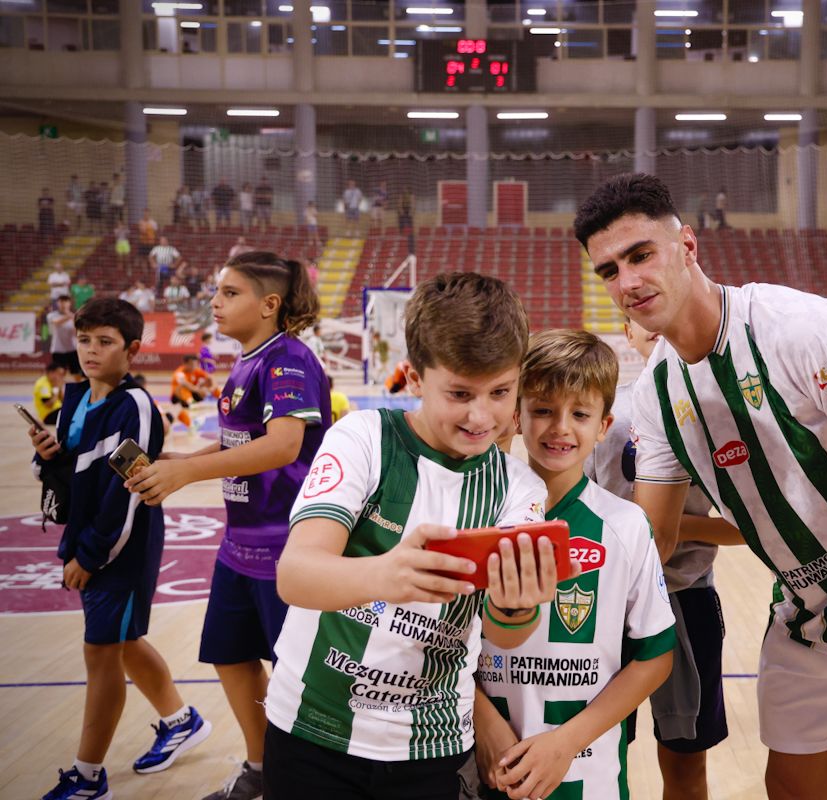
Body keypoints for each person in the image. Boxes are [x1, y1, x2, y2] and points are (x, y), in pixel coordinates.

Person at [575, 173, 827, 800]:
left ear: (687, 245)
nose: (626, 282)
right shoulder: (655, 391)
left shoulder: (797, 326)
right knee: (788, 787)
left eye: (640, 255)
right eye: (608, 270)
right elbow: (656, 533)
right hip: (804, 608)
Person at [262, 271, 569, 798]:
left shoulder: (519, 488)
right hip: (310, 730)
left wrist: (519, 607)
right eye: (459, 392)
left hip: (433, 747)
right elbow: (295, 575)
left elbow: (504, 633)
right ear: (413, 378)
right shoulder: (362, 438)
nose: (482, 415)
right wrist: (385, 573)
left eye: (501, 392)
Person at [124, 251, 331, 800]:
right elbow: (246, 442)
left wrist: (190, 472)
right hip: (240, 544)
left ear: (269, 304)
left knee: (295, 678)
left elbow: (285, 444)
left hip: (288, 546)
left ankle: (300, 782)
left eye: (230, 293)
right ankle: (262, 771)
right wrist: (181, 460)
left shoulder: (287, 359)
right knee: (230, 654)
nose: (214, 302)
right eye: (217, 292)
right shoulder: (246, 361)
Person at [471, 329, 676, 800]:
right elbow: (443, 640)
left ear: (604, 426)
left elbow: (654, 657)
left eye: (579, 414)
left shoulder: (626, 526)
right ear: (517, 417)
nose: (560, 427)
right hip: (485, 761)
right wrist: (485, 725)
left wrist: (566, 743)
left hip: (588, 771)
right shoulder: (478, 516)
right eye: (542, 410)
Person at [28, 298, 211, 800]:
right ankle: (181, 720)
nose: (90, 351)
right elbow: (74, 476)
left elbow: (130, 491)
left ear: (131, 349)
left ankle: (88, 777)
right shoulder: (74, 399)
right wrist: (48, 457)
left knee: (100, 651)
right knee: (125, 642)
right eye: (84, 340)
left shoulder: (136, 407)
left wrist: (90, 556)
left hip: (119, 548)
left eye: (104, 342)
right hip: (89, 541)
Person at [583, 317, 730, 798]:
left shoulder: (718, 416)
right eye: (643, 324)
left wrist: (656, 527)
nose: (657, 329)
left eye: (667, 321)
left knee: (686, 763)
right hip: (603, 603)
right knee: (598, 755)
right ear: (627, 332)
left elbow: (742, 528)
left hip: (685, 598)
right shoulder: (600, 416)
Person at [169, 354, 213, 432]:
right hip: (177, 397)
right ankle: (191, 411)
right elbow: (185, 384)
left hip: (191, 395)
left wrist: (208, 389)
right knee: (177, 411)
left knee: (203, 388)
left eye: (195, 365)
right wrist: (198, 390)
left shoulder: (196, 370)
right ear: (185, 364)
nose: (193, 367)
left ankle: (192, 423)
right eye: (191, 365)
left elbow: (209, 378)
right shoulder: (179, 373)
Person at [48, 295, 82, 377]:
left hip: (72, 349)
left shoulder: (74, 317)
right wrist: (69, 316)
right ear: (57, 303)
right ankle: (58, 390)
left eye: (66, 301)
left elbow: (76, 333)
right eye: (61, 301)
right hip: (58, 349)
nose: (63, 304)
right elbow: (56, 323)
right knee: (59, 373)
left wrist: (73, 318)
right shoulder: (52, 315)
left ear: (69, 303)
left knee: (76, 373)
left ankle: (79, 389)